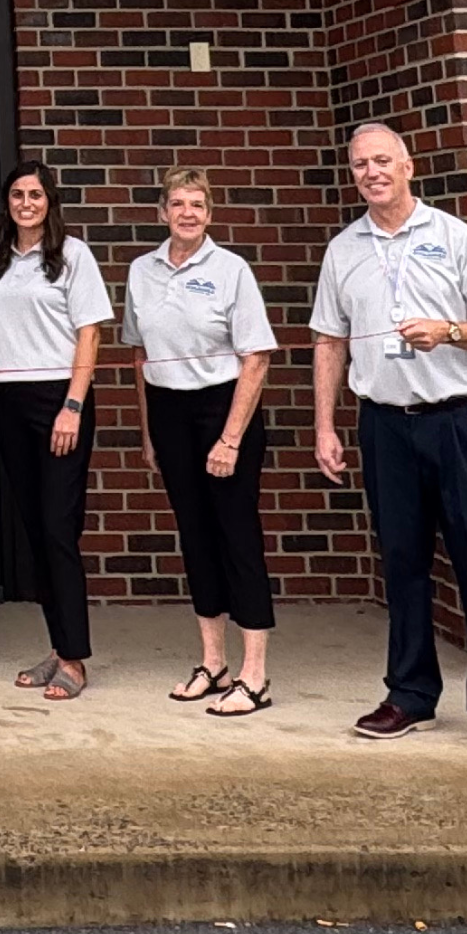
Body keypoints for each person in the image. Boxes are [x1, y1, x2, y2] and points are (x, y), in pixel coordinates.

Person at [311, 121, 467, 762]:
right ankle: (409, 694)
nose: (371, 173)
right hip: (385, 423)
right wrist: (326, 426)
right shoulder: (343, 249)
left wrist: (450, 331)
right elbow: (329, 341)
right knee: (402, 564)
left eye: (382, 161)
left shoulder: (451, 236)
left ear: (408, 167)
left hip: (456, 420)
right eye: (359, 165)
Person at [122, 168, 281, 718]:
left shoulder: (232, 270)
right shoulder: (141, 271)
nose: (187, 213)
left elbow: (256, 358)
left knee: (236, 537)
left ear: (210, 214)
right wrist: (148, 434)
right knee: (194, 537)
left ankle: (254, 674)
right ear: (161, 212)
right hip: (169, 412)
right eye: (177, 204)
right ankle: (213, 662)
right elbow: (140, 358)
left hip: (224, 408)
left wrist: (230, 438)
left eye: (197, 204)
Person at [0, 160, 113, 702]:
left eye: (35, 194)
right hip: (8, 398)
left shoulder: (73, 255)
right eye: (16, 194)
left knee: (58, 529)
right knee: (35, 532)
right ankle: (58, 647)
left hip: (60, 399)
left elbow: (90, 334)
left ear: (49, 200)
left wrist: (73, 405)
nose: (25, 203)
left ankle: (74, 658)